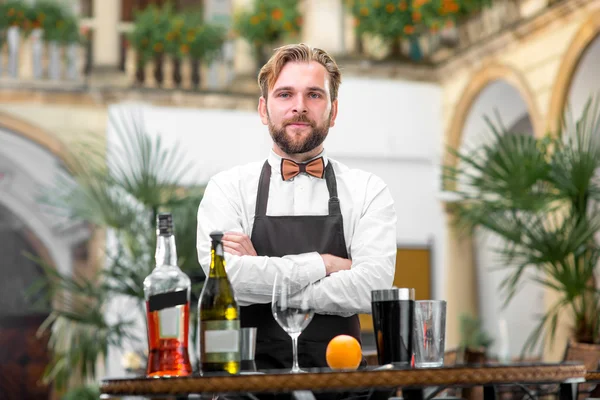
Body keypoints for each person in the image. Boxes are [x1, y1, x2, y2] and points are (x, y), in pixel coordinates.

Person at [196, 43, 397, 371]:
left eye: (314, 95)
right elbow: (227, 280)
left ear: (333, 112)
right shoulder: (227, 189)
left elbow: (371, 288)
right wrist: (325, 264)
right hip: (245, 383)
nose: (299, 107)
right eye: (285, 94)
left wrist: (265, 276)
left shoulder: (368, 190)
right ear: (263, 110)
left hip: (340, 384)